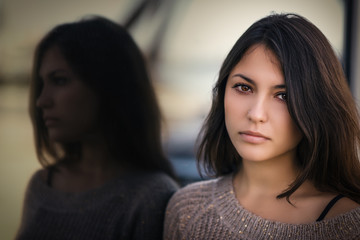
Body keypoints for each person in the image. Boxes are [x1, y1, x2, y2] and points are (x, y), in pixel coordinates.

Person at [164, 13, 360, 239]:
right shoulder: (187, 211)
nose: (256, 114)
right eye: (244, 87)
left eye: (283, 95)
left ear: (316, 106)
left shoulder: (349, 223)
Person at [16, 15, 179, 240]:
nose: (41, 101)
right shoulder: (42, 185)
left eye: (60, 80)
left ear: (108, 86)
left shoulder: (152, 197)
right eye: (43, 84)